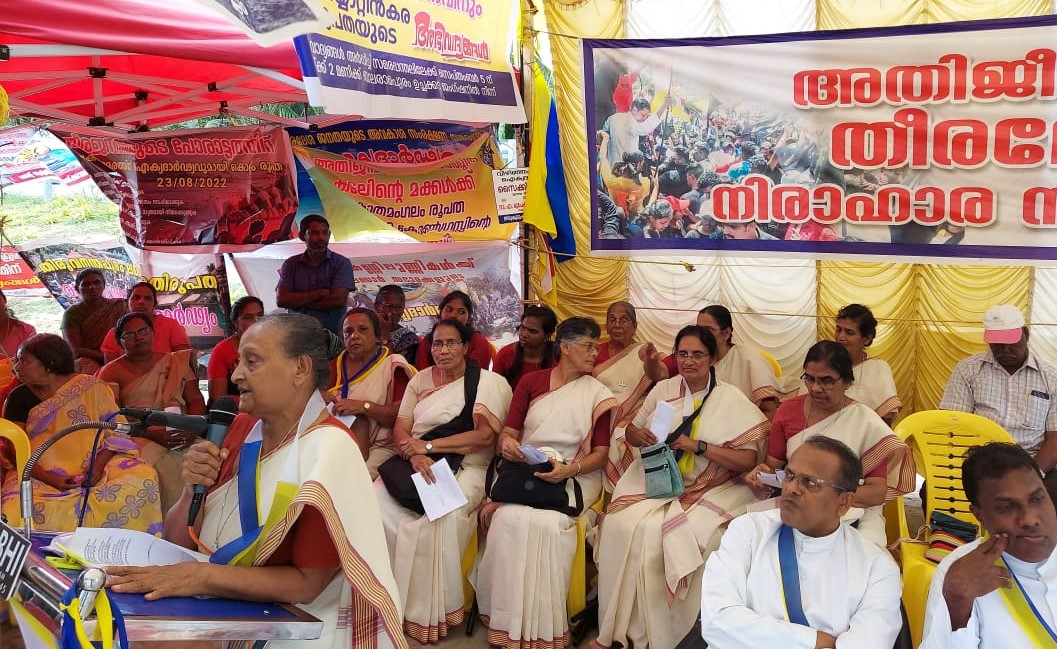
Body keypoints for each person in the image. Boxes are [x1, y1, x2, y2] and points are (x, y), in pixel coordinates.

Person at [105, 314, 407, 649]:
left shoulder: (329, 450)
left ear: (301, 369)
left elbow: (308, 584)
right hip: (215, 593)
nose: (235, 375)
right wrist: (192, 489)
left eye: (253, 362)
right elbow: (182, 541)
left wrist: (200, 577)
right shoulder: (240, 431)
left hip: (289, 620)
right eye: (238, 363)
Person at [594, 325, 769, 649]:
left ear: (713, 358)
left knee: (664, 537)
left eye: (698, 354)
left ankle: (663, 634)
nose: (689, 361)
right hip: (660, 478)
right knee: (620, 525)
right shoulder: (665, 389)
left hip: (713, 485)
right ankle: (620, 628)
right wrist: (638, 436)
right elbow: (631, 429)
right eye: (683, 354)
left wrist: (698, 446)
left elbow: (746, 461)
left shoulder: (729, 397)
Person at [474, 317, 618, 649]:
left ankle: (547, 628)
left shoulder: (597, 393)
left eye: (596, 346)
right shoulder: (531, 382)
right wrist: (509, 444)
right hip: (527, 468)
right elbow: (509, 433)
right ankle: (505, 623)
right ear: (565, 348)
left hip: (576, 474)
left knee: (552, 527)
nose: (595, 352)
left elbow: (600, 454)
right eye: (588, 345)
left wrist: (568, 470)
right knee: (507, 520)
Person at [374, 318, 511, 643]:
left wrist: (430, 447)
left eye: (451, 343)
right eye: (437, 343)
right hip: (415, 463)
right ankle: (389, 602)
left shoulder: (488, 383)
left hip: (468, 467)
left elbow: (482, 437)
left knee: (441, 519)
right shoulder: (420, 379)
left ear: (466, 347)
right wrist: (415, 454)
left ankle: (428, 613)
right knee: (375, 508)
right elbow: (402, 427)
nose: (444, 350)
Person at [700, 436, 904, 649]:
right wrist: (815, 642)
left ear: (844, 502)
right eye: (789, 476)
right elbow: (717, 620)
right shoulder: (749, 531)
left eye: (810, 482)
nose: (792, 488)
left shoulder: (876, 568)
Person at [745, 341, 915, 547]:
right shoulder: (787, 411)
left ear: (847, 382)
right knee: (751, 540)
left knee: (865, 550)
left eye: (826, 381)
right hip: (796, 499)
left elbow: (876, 492)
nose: (816, 388)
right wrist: (762, 473)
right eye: (810, 379)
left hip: (851, 508)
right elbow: (773, 466)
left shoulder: (864, 421)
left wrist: (824, 497)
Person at [0, 334, 162, 533]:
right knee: (15, 507)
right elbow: (14, 450)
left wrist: (98, 466)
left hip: (97, 463)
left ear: (49, 363)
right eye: (18, 360)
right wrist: (51, 479)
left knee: (143, 477)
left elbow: (116, 431)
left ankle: (122, 552)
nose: (17, 367)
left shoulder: (92, 388)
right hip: (37, 472)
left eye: (24, 360)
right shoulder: (18, 398)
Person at [920, 442, 1057, 649]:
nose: (1029, 519)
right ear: (979, 515)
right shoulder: (958, 574)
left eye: (1037, 499)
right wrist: (957, 605)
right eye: (1006, 507)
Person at [98, 312, 206, 512]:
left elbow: (195, 399)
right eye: (129, 335)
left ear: (153, 333)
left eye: (143, 331)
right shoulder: (111, 372)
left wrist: (193, 428)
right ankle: (175, 525)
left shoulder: (175, 362)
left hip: (181, 428)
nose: (138, 337)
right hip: (138, 434)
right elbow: (113, 417)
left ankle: (206, 522)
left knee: (206, 457)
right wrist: (149, 432)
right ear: (120, 342)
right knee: (169, 469)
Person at [940, 304, 1057, 488]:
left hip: (1031, 463)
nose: (1004, 349)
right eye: (996, 344)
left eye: (1010, 342)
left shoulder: (1051, 378)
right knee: (933, 490)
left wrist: (1033, 475)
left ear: (1025, 334)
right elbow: (955, 428)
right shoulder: (968, 370)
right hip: (980, 463)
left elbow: (1055, 438)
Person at [645, 305, 781, 419]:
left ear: (726, 333)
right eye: (698, 328)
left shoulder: (750, 360)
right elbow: (659, 374)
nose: (701, 335)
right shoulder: (688, 356)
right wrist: (650, 360)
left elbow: (769, 411)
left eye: (708, 330)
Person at [327, 308, 416, 477]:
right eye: (348, 331)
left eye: (362, 329)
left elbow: (401, 415)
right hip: (339, 443)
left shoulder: (393, 365)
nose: (355, 336)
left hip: (383, 446)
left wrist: (364, 407)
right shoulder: (332, 367)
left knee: (357, 479)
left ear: (377, 336)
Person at [592, 302, 652, 489]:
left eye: (624, 320)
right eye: (612, 320)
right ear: (607, 325)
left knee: (627, 440)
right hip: (601, 412)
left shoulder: (644, 353)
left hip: (634, 412)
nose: (617, 325)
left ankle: (629, 490)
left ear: (635, 326)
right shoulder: (594, 352)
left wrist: (651, 360)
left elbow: (660, 376)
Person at [276, 214, 355, 336]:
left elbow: (338, 300)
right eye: (315, 233)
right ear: (302, 236)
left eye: (325, 233)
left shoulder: (341, 263)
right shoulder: (291, 264)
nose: (321, 238)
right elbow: (282, 300)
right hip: (297, 337)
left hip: (332, 338)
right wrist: (319, 293)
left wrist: (298, 303)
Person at [833, 303, 901, 424]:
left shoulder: (878, 369)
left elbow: (885, 421)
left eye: (849, 332)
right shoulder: (824, 365)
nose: (840, 337)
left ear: (867, 339)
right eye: (838, 330)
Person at [99, 282, 192, 364]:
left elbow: (183, 363)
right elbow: (111, 372)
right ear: (127, 302)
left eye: (147, 298)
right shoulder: (114, 334)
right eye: (136, 297)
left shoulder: (170, 325)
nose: (141, 302)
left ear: (154, 305)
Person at [61, 268, 127, 373]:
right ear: (77, 289)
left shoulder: (119, 307)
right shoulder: (72, 313)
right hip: (91, 359)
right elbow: (74, 349)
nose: (92, 287)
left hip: (121, 354)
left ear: (104, 286)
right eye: (86, 284)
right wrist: (104, 356)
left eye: (97, 282)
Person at [206, 295, 264, 406]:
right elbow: (218, 398)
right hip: (237, 412)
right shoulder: (221, 351)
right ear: (235, 323)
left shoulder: (274, 345)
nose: (256, 321)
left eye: (260, 315)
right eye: (248, 317)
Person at [415, 290, 494, 370]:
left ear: (469, 317)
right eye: (449, 310)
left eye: (461, 312)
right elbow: (422, 376)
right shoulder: (428, 342)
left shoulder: (478, 341)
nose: (453, 315)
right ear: (440, 312)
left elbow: (477, 377)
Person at [493, 304, 557, 390]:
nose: (524, 334)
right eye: (522, 327)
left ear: (547, 336)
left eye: (532, 331)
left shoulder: (558, 357)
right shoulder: (505, 355)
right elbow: (495, 389)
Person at [375, 284, 420, 363]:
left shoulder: (408, 338)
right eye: (388, 306)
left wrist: (385, 335)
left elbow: (400, 370)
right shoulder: (363, 331)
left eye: (398, 307)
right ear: (376, 307)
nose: (394, 312)